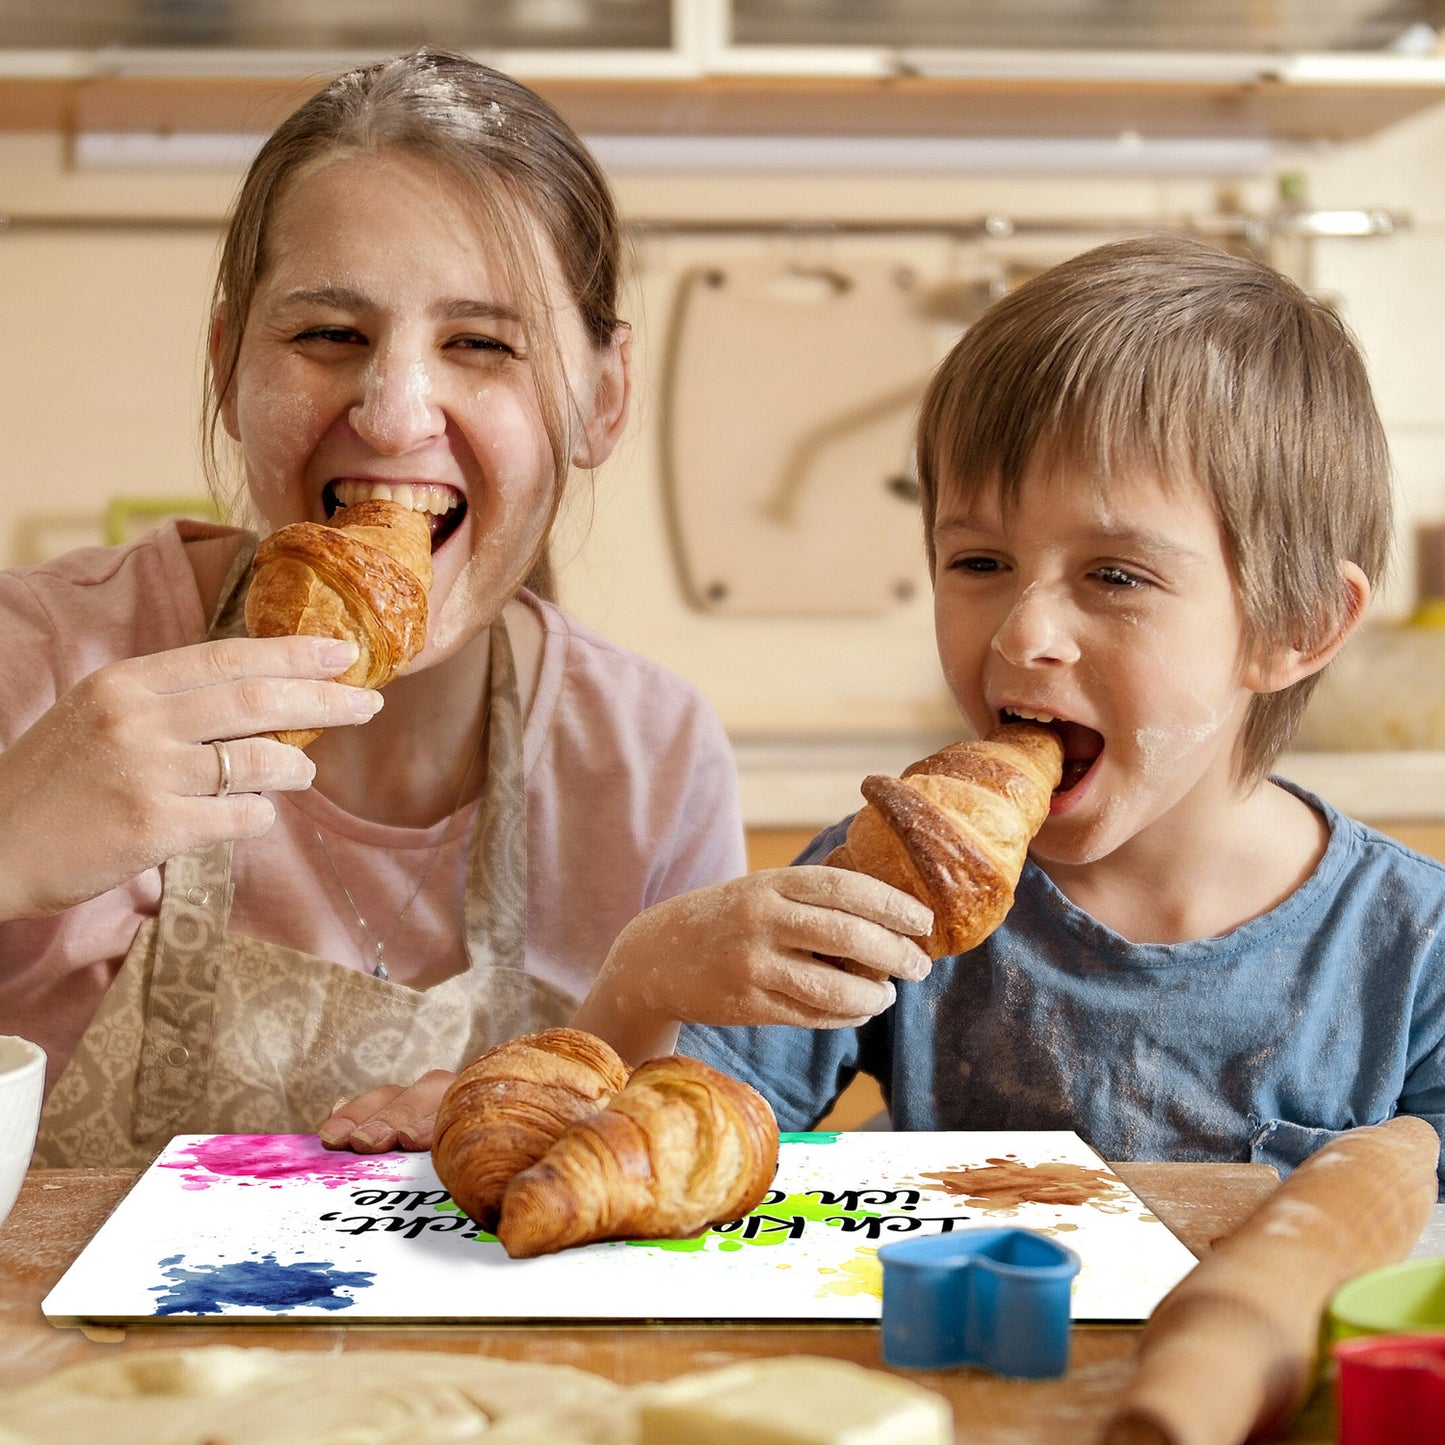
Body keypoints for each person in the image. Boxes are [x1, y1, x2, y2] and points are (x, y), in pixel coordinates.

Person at [4, 48, 752, 1168]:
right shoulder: (42, 662)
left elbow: (697, 1172)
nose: (397, 412)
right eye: (327, 335)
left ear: (601, 398)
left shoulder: (647, 760)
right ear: (227, 366)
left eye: (482, 344)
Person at [581, 233, 1445, 1189]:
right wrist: (642, 974)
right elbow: (653, 1153)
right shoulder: (889, 879)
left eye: (1114, 574)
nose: (1022, 631)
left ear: (1298, 624)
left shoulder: (1413, 952)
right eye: (980, 563)